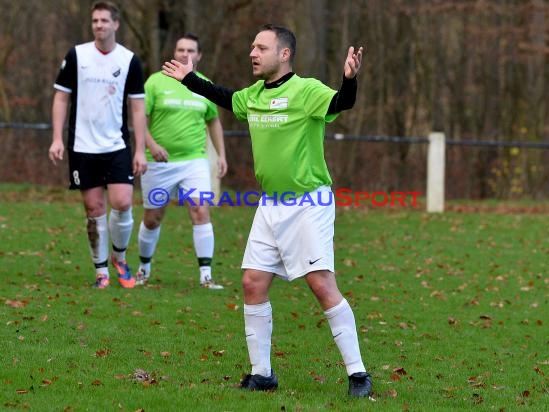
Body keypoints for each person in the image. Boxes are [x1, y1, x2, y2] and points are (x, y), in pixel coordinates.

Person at [162, 24, 371, 397]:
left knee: (321, 285)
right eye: (252, 47)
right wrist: (190, 79)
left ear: (284, 54)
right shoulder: (254, 95)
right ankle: (263, 374)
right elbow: (224, 97)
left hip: (309, 202)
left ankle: (358, 375)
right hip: (270, 204)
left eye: (261, 47)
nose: (253, 53)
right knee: (252, 283)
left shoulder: (306, 90)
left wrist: (348, 79)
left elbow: (342, 103)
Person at [48, 1, 147, 289]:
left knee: (123, 202)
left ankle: (119, 257)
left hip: (116, 145)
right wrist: (56, 138)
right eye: (95, 20)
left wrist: (140, 149)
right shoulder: (77, 55)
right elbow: (61, 97)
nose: (100, 25)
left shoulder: (130, 60)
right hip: (82, 147)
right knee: (93, 209)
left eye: (105, 20)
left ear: (116, 24)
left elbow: (138, 107)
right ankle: (101, 270)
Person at [135, 33, 227, 289]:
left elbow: (213, 121)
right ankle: (143, 268)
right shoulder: (155, 82)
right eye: (180, 49)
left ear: (198, 56)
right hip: (158, 164)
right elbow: (140, 117)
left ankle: (206, 276)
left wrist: (221, 155)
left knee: (200, 210)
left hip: (194, 161)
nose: (185, 54)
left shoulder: (204, 85)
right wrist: (151, 145)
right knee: (153, 218)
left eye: (191, 50)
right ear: (174, 53)